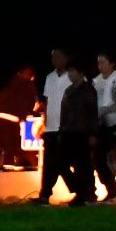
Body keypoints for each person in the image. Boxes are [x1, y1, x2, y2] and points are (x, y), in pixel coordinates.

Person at [53, 52, 98, 203]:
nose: (70, 74)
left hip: (83, 133)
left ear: (81, 73)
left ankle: (85, 194)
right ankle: (82, 191)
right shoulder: (69, 91)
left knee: (83, 165)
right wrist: (61, 130)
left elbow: (92, 113)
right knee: (62, 163)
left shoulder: (88, 90)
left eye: (73, 71)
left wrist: (92, 134)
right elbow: (64, 113)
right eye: (69, 71)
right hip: (69, 132)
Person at [38, 49, 79, 202]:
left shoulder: (72, 76)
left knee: (61, 162)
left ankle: (78, 188)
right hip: (51, 127)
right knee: (49, 163)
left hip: (66, 127)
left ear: (66, 58)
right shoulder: (50, 77)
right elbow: (48, 101)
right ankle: (44, 194)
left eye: (58, 57)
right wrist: (45, 123)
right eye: (53, 58)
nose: (55, 61)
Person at [92, 52, 116, 202]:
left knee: (100, 155)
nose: (100, 66)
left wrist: (97, 113)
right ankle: (111, 189)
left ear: (111, 64)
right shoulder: (98, 81)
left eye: (103, 62)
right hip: (102, 124)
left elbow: (115, 104)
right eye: (98, 62)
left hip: (115, 124)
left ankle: (112, 190)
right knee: (99, 156)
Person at [0, 64, 39, 170]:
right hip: (12, 117)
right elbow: (33, 103)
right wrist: (29, 112)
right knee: (12, 142)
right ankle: (11, 165)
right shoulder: (28, 84)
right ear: (31, 77)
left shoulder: (10, 82)